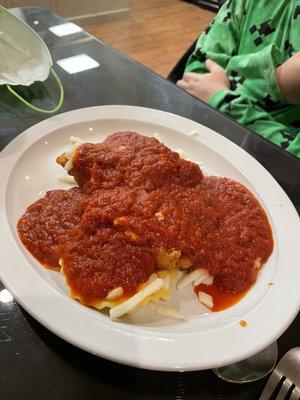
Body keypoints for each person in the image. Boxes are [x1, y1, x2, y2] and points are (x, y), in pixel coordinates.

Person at [177, 0, 300, 158]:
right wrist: (277, 80)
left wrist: (222, 97)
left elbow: (291, 160)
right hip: (199, 139)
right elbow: (196, 76)